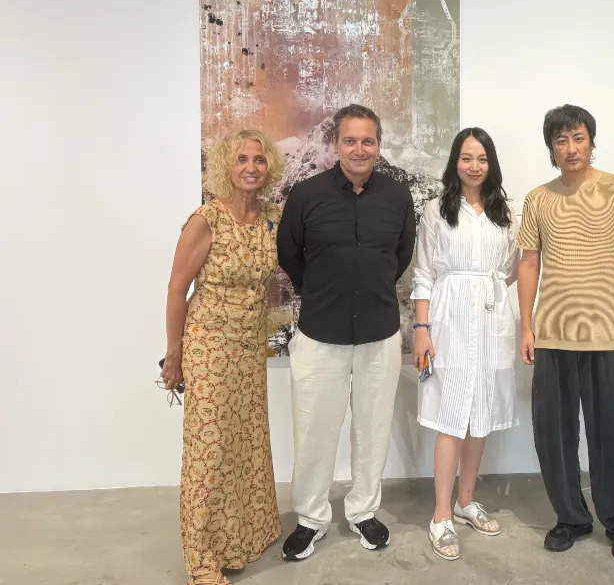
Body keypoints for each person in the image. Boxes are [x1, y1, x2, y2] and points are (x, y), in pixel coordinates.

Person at [275, 104, 416, 561]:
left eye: (368, 141)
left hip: (379, 333)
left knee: (372, 429)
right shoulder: (306, 195)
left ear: (379, 145)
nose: (359, 149)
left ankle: (363, 510)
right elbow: (290, 256)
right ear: (336, 144)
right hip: (320, 333)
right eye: (350, 140)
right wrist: (324, 291)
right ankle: (311, 517)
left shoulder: (397, 197)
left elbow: (401, 255)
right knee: (314, 431)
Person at [517, 104, 614, 562]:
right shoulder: (538, 198)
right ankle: (570, 516)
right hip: (552, 333)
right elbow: (528, 263)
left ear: (591, 141)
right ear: (551, 148)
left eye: (578, 138)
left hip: (606, 332)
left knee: (613, 431)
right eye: (561, 140)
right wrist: (526, 326)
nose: (571, 148)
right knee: (553, 433)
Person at [160, 129, 285, 585]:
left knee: (245, 444)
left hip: (250, 348)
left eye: (258, 159)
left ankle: (240, 540)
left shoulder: (273, 217)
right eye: (241, 159)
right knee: (209, 451)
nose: (251, 167)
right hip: (209, 346)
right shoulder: (206, 219)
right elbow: (177, 289)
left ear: (269, 166)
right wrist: (173, 354)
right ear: (226, 167)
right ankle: (202, 560)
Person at [409, 127, 520, 561]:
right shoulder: (437, 210)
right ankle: (441, 516)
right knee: (450, 416)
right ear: (455, 162)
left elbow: (511, 269)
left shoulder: (503, 213)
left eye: (482, 159)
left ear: (491, 164)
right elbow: (423, 274)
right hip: (449, 320)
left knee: (481, 415)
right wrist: (422, 329)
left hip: (491, 320)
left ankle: (466, 501)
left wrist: (486, 292)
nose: (474, 166)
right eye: (466, 158)